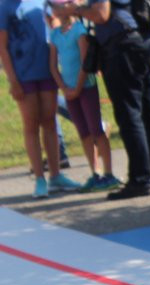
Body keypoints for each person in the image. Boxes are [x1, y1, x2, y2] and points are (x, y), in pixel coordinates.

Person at [58, 0, 150, 200]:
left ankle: (140, 179)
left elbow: (101, 14)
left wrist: (75, 10)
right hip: (147, 41)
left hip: (124, 47)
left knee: (129, 115)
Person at [0, 0, 81, 198]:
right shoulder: (4, 6)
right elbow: (2, 48)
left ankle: (55, 176)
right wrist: (13, 81)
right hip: (23, 75)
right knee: (31, 124)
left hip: (47, 70)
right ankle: (39, 178)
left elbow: (56, 26)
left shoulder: (41, 2)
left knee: (50, 122)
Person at [48, 11, 120, 192]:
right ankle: (95, 173)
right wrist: (64, 89)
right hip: (69, 90)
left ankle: (109, 173)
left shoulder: (79, 31)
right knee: (84, 133)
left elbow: (85, 63)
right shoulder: (55, 35)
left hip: (86, 88)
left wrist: (77, 88)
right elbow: (53, 66)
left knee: (96, 130)